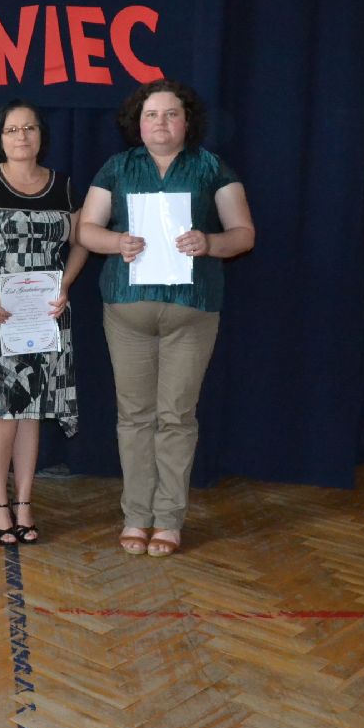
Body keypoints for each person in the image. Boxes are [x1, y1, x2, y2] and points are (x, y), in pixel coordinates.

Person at [78, 79, 254, 558]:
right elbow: (86, 230)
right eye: (151, 114)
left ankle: (169, 519)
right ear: (137, 123)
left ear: (186, 121)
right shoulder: (116, 167)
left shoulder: (212, 167)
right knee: (134, 416)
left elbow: (244, 234)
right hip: (126, 308)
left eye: (171, 114)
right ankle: (136, 516)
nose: (161, 122)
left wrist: (210, 243)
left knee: (176, 417)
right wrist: (116, 242)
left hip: (192, 309)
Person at [0, 101, 88, 545]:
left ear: (41, 135)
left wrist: (65, 285)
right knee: (1, 408)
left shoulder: (63, 186)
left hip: (43, 313)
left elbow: (81, 241)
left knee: (32, 409)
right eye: (12, 130)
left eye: (29, 128)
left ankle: (24, 501)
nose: (22, 136)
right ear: (1, 137)